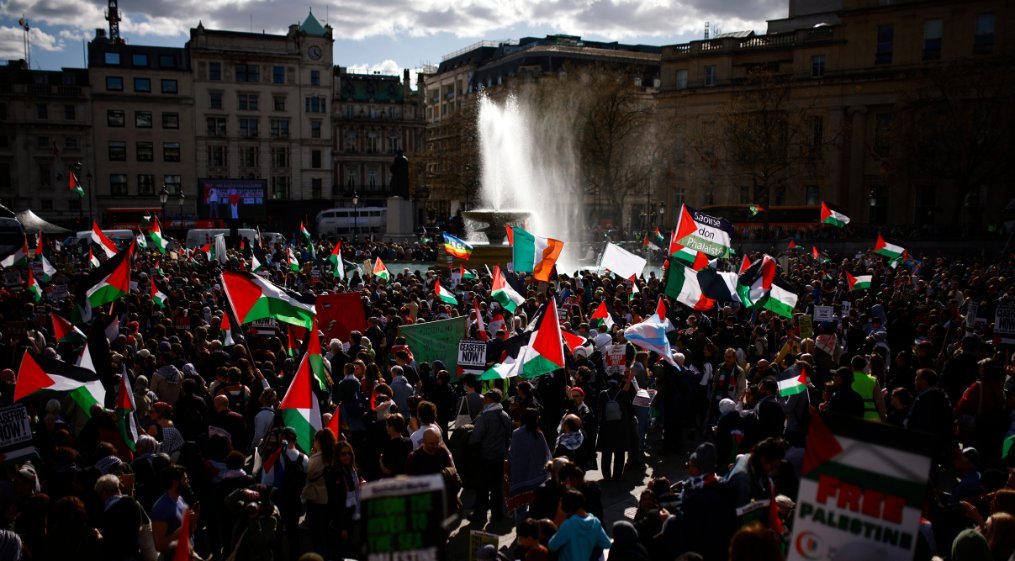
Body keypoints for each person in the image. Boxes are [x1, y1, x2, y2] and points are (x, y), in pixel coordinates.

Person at [469, 388, 512, 524]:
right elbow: (508, 436)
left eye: (485, 399)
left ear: (491, 400)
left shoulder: (485, 417)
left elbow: (475, 438)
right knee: (496, 489)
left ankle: (480, 516)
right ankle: (497, 515)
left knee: (482, 488)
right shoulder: (505, 415)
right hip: (500, 457)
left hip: (485, 457)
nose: (483, 401)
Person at [509, 408, 552, 521]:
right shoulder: (539, 434)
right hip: (537, 475)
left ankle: (521, 530)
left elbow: (513, 453)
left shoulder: (517, 433)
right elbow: (545, 454)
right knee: (536, 506)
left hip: (520, 475)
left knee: (521, 507)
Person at [547, 490, 611, 561]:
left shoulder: (568, 525)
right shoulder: (595, 522)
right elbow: (606, 543)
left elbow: (552, 546)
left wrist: (555, 529)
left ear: (569, 509)